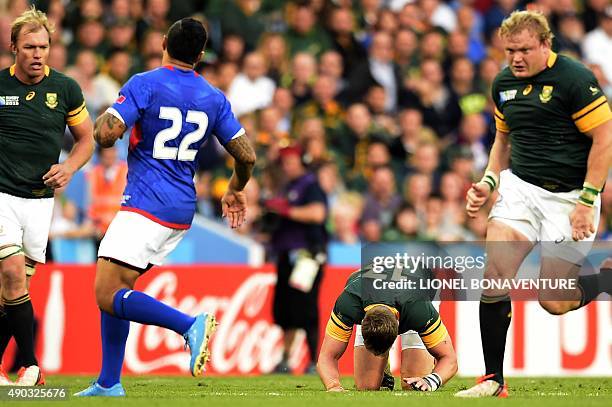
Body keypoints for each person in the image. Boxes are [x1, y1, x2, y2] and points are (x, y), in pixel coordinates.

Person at [74, 18, 256, 397]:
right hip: (180, 208)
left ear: (162, 43)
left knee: (106, 293)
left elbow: (105, 136)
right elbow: (247, 156)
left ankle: (189, 324)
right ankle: (108, 382)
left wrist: (114, 119)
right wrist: (235, 188)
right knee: (119, 288)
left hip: (146, 202)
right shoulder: (214, 97)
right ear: (201, 56)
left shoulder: (145, 83)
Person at [457, 10, 612, 398]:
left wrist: (588, 199)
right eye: (510, 50)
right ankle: (493, 380)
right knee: (494, 274)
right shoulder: (503, 83)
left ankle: (608, 278)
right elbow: (502, 140)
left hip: (570, 196)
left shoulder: (574, 79)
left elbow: (604, 139)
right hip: (521, 190)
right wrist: (489, 180)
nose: (517, 58)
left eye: (525, 49)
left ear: (546, 45)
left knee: (554, 301)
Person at [0, 7, 94, 386]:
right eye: (29, 47)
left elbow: (86, 139)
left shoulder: (66, 89)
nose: (38, 54)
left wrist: (69, 167)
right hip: (2, 195)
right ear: (13, 48)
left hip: (40, 202)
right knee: (11, 275)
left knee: (11, 294)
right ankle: (33, 366)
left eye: (43, 47)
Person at [317, 268, 457, 392]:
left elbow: (449, 359)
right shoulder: (349, 303)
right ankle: (384, 371)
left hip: (418, 289)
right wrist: (333, 386)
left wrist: (430, 381)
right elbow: (326, 357)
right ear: (363, 320)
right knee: (367, 387)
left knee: (414, 385)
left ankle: (385, 367)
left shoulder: (419, 309)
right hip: (373, 290)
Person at [265, 145, 328, 374]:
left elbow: (318, 213)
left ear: (302, 162)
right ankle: (285, 360)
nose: (287, 166)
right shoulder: (288, 187)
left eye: (291, 161)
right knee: (287, 310)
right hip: (286, 255)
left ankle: (315, 361)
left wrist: (286, 211)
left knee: (307, 309)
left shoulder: (310, 186)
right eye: (285, 162)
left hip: (307, 256)